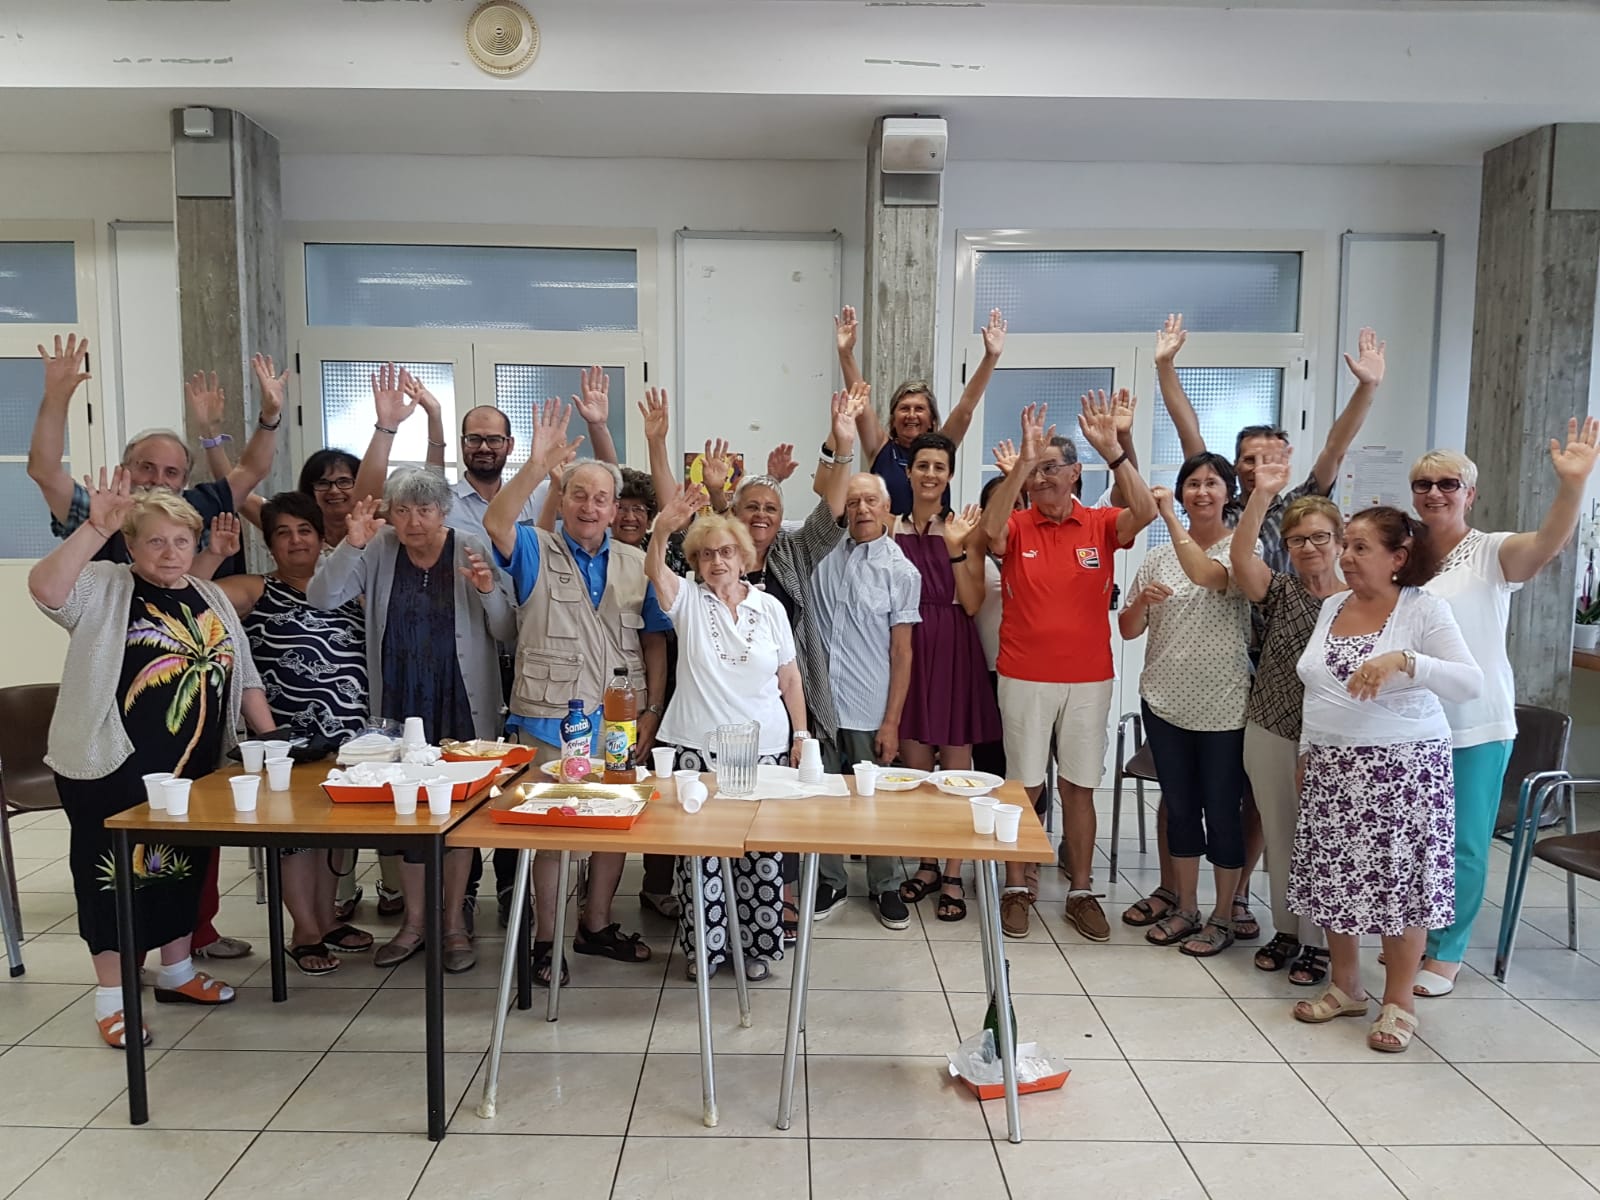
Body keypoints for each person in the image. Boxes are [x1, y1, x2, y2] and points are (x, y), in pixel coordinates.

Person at [1153, 316, 1387, 934]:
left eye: (1269, 457)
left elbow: (1336, 444)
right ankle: (1201, 895)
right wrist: (1166, 367)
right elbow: (1189, 430)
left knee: (1272, 799)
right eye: (1248, 460)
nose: (1258, 467)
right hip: (1244, 662)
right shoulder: (1229, 507)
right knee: (1230, 789)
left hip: (1309, 658)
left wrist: (1366, 387)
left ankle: (1250, 900)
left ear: (1285, 460)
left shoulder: (1303, 502)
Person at [29, 472, 275, 1046]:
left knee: (181, 868)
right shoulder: (104, 584)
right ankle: (111, 1000)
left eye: (181, 541)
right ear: (132, 544)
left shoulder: (210, 595)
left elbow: (245, 676)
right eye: (156, 541)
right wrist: (94, 528)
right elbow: (45, 590)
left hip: (191, 770)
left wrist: (272, 740)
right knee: (111, 877)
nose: (170, 552)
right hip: (109, 765)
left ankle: (177, 972)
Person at [1406, 418, 1600, 997]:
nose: (1435, 493)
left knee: (1463, 841)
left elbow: (1546, 545)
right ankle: (1411, 935)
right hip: (1411, 722)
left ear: (1470, 494)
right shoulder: (1406, 555)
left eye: (1448, 484)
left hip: (1475, 723)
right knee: (1416, 840)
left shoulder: (1491, 552)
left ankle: (1447, 950)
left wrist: (1573, 485)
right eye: (1424, 484)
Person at [485, 401, 667, 989]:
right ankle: (546, 939)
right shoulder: (536, 549)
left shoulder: (639, 563)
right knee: (554, 835)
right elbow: (496, 523)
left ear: (616, 510)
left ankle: (596, 924)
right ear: (562, 501)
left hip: (619, 721)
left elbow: (655, 643)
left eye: (601, 499)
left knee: (615, 822)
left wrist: (651, 712)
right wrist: (536, 466)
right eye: (580, 495)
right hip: (548, 720)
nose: (590, 507)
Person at [1287, 507, 1482, 1053]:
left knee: (1401, 885)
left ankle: (1398, 1002)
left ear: (1398, 557)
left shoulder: (1423, 609)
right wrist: (1307, 750)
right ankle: (1346, 987)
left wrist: (1406, 660)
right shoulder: (1333, 605)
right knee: (1337, 877)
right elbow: (1317, 685)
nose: (1345, 557)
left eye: (1360, 548)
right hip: (1333, 766)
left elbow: (1470, 682)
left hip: (1403, 770)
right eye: (1345, 546)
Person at [307, 468, 516, 973]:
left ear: (443, 511)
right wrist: (351, 545)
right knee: (407, 813)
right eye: (402, 510)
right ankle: (415, 922)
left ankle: (454, 922)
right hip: (399, 702)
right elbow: (321, 597)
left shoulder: (470, 545)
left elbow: (508, 630)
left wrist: (488, 589)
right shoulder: (377, 548)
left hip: (462, 701)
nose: (413, 521)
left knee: (458, 812)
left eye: (424, 510)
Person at [975, 397, 1158, 941]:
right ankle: (1015, 887)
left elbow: (1145, 512)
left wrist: (1116, 452)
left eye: (1051, 467)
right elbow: (989, 532)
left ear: (1077, 473)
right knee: (1023, 787)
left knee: (1079, 786)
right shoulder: (1017, 525)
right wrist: (1022, 465)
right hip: (1024, 676)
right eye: (1036, 470)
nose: (1042, 478)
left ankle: (1080, 891)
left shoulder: (1099, 524)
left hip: (1088, 678)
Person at [209, 498, 374, 973]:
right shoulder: (255, 589)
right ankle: (304, 931)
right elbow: (192, 597)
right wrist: (216, 554)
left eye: (305, 529)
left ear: (323, 538)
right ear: (269, 544)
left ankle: (328, 920)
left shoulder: (348, 589)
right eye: (283, 532)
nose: (296, 540)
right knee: (295, 837)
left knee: (337, 831)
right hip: (286, 738)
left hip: (351, 735)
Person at [647, 489, 808, 978]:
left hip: (765, 751)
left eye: (727, 552)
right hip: (698, 752)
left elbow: (789, 677)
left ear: (744, 557)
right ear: (696, 562)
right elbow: (655, 569)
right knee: (701, 859)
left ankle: (754, 950)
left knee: (760, 855)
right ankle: (705, 951)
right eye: (706, 554)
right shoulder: (687, 602)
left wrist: (801, 736)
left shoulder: (770, 608)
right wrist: (662, 529)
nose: (717, 561)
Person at [1118, 458, 1252, 957]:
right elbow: (1128, 628)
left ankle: (1224, 915)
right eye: (1191, 484)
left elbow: (1210, 576)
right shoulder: (1156, 558)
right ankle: (1187, 907)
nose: (1201, 492)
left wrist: (1168, 518)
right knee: (1179, 809)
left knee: (1223, 810)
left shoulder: (1243, 549)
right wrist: (1142, 603)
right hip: (1164, 701)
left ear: (1227, 493)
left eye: (1211, 484)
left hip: (1224, 706)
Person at [29, 336, 281, 585]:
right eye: (147, 467)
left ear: (184, 480)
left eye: (171, 472)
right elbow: (44, 471)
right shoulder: (98, 511)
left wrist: (270, 416)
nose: (158, 480)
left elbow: (252, 470)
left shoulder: (204, 505)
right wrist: (56, 397)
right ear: (124, 469)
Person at [1228, 460, 1345, 984]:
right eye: (1297, 540)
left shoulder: (1359, 601)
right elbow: (1240, 557)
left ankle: (1321, 942)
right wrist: (1261, 495)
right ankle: (1288, 930)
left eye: (1319, 537)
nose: (1309, 548)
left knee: (1323, 839)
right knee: (1279, 834)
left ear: (1340, 541)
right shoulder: (1282, 591)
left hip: (1336, 738)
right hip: (1272, 726)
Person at [892, 432, 1000, 923]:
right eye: (923, 465)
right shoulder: (890, 526)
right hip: (906, 650)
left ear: (950, 475)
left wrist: (956, 549)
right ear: (909, 472)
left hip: (953, 647)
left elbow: (973, 602)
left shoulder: (965, 528)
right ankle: (928, 863)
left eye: (939, 466)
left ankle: (955, 872)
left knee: (957, 773)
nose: (931, 474)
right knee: (916, 773)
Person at [810, 472, 923, 928]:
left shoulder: (901, 571)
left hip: (868, 706)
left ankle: (886, 885)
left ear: (886, 507)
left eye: (870, 501)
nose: (861, 509)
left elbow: (902, 652)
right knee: (824, 795)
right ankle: (831, 880)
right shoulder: (819, 553)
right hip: (821, 704)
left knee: (874, 800)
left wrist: (891, 722)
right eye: (853, 501)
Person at [835, 305, 1006, 513]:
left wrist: (991, 357)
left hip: (935, 533)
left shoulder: (941, 448)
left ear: (932, 419)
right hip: (888, 533)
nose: (911, 415)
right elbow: (860, 403)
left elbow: (966, 408)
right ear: (893, 419)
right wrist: (845, 353)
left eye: (919, 409)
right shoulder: (881, 449)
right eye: (904, 408)